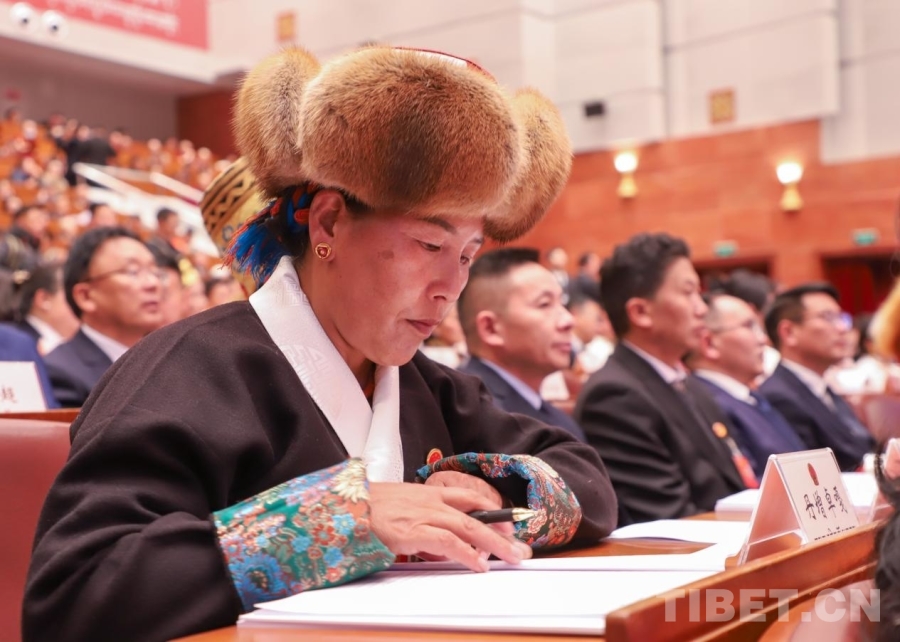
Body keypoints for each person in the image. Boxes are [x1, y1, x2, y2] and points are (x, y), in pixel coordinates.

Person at [24, 46, 617, 642]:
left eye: (467, 255)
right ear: (329, 222)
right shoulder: (187, 372)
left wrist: (489, 490)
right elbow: (75, 592)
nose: (449, 286)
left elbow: (587, 480)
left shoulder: (427, 386)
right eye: (430, 246)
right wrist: (343, 518)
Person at [575, 233, 748, 525]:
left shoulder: (691, 385)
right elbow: (670, 521)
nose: (702, 308)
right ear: (641, 312)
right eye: (688, 292)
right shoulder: (615, 397)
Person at [457, 248, 585, 440]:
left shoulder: (555, 417)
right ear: (491, 328)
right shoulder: (468, 411)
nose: (568, 321)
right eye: (545, 304)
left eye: (562, 303)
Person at [687, 293, 806, 478]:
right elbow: (749, 484)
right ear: (710, 343)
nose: (763, 339)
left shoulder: (748, 397)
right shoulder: (706, 404)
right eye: (749, 326)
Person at [758, 283, 874, 471]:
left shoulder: (822, 387)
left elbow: (861, 447)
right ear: (788, 332)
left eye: (841, 318)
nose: (842, 328)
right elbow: (813, 474)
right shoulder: (778, 396)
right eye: (827, 317)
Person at [43, 226, 164, 407]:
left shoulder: (167, 361)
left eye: (155, 271)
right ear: (85, 296)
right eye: (133, 271)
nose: (153, 283)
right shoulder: (60, 372)